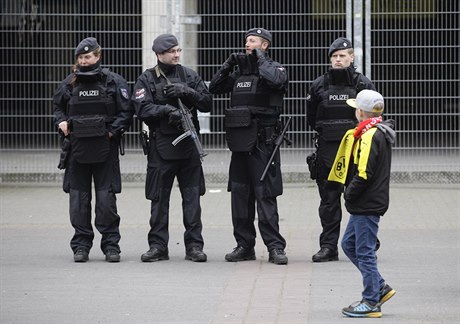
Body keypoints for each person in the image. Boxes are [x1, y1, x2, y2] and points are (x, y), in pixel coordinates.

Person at [209, 28, 289, 265]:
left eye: (252, 41)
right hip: (240, 144)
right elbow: (214, 87)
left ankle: (275, 247)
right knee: (240, 196)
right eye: (246, 41)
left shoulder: (276, 69)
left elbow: (276, 81)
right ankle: (244, 245)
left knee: (265, 196)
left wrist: (260, 59)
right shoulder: (239, 75)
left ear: (264, 45)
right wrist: (227, 65)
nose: (247, 44)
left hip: (264, 145)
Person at [132, 34, 212, 263]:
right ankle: (158, 246)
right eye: (172, 51)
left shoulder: (189, 75)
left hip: (189, 148)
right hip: (161, 147)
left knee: (192, 199)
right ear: (159, 54)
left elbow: (207, 103)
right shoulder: (147, 78)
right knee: (159, 200)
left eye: (178, 50)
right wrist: (166, 111)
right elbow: (141, 109)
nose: (177, 54)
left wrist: (186, 92)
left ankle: (194, 246)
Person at [53, 37, 134, 263]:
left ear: (98, 56)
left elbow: (126, 112)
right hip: (76, 149)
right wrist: (61, 123)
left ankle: (111, 246)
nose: (84, 61)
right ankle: (81, 245)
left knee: (106, 200)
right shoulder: (70, 82)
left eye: (88, 57)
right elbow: (58, 107)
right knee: (78, 201)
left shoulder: (113, 81)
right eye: (80, 57)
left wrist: (111, 133)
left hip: (104, 149)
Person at [306, 37, 376, 262]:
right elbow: (311, 118)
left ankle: (366, 241)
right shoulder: (319, 85)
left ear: (351, 57)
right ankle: (328, 247)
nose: (338, 60)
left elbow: (373, 118)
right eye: (334, 56)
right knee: (328, 201)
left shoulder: (362, 84)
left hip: (356, 151)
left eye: (342, 56)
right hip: (328, 150)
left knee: (358, 199)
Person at [326, 89, 396, 317]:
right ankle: (380, 286)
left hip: (367, 203)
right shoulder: (376, 131)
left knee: (364, 252)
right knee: (348, 244)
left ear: (360, 112)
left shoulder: (369, 136)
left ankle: (371, 301)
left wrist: (349, 194)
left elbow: (364, 172)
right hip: (367, 202)